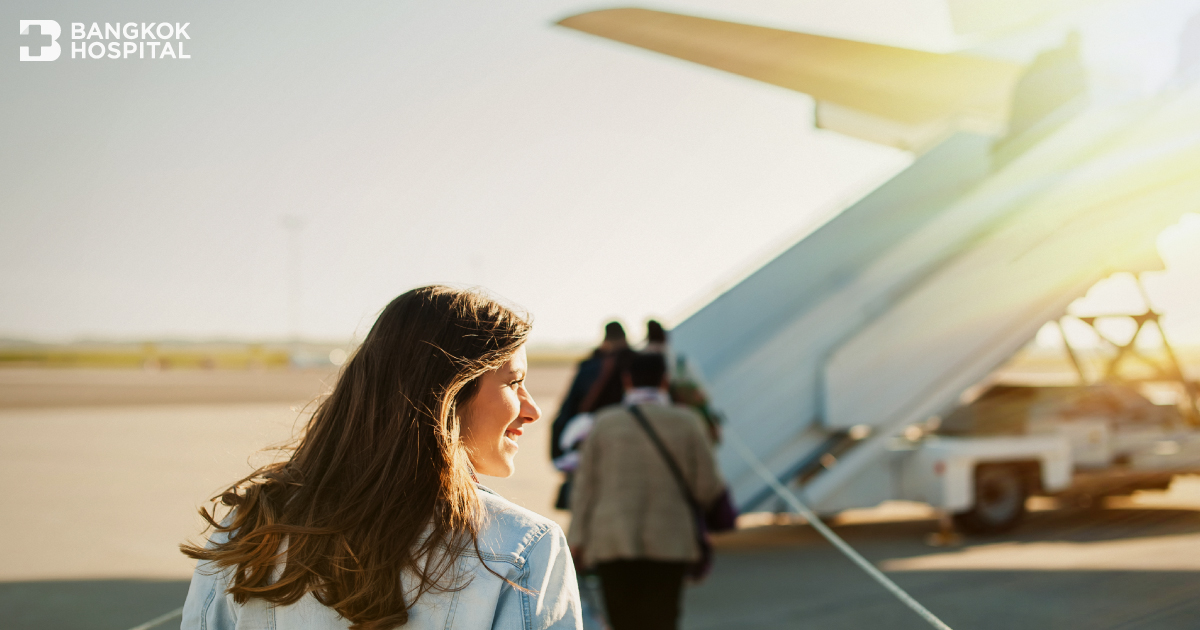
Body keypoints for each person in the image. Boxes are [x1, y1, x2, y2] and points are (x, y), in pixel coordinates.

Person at [179, 286, 582, 630]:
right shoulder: (521, 548)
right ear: (446, 392)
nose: (532, 410)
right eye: (514, 383)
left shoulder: (250, 526)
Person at [568, 353, 724, 630]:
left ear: (627, 380)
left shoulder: (604, 423)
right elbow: (707, 486)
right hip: (670, 539)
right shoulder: (687, 423)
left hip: (612, 539)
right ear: (665, 381)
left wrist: (577, 539)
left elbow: (585, 488)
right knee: (663, 618)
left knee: (623, 620)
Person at [549, 321, 635, 506]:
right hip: (630, 450)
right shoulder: (638, 365)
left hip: (588, 447)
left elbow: (567, 411)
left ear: (605, 338)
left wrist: (559, 456)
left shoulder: (590, 367)